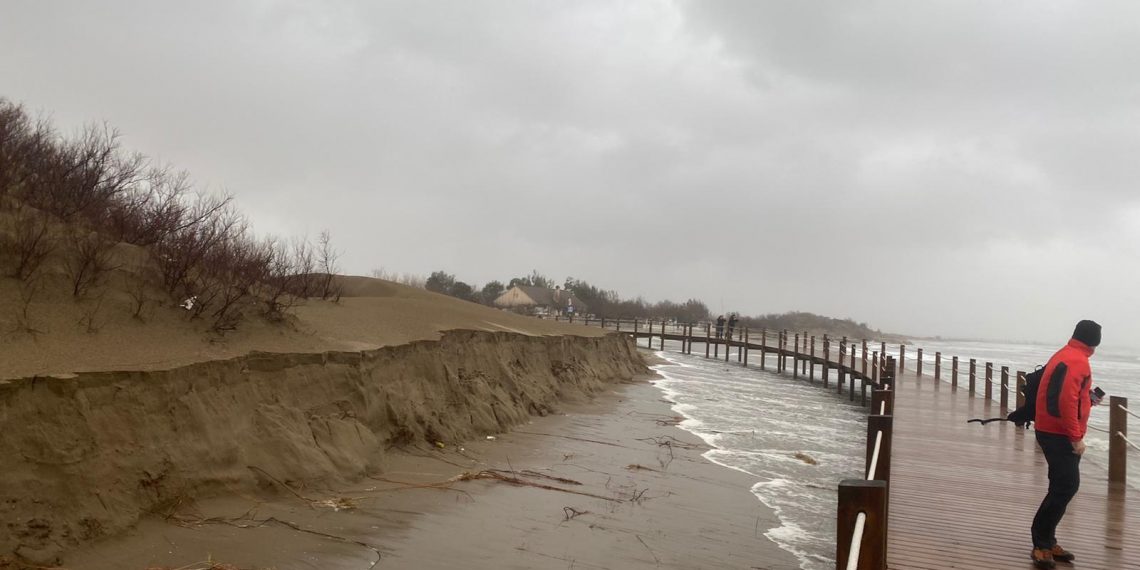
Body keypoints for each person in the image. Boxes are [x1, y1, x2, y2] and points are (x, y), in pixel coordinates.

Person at [1030, 319, 1101, 569]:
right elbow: (1065, 401)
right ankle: (1041, 543)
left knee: (1061, 486)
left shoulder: (1067, 354)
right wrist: (1075, 437)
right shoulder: (1077, 360)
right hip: (1058, 434)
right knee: (1066, 486)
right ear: (1094, 341)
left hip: (1051, 429)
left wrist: (1089, 399)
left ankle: (1047, 541)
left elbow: (1068, 395)